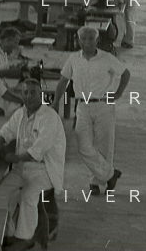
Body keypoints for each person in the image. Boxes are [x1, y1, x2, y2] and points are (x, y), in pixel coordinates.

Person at [0, 78, 67, 251]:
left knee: (27, 195)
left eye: (33, 92)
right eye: (25, 92)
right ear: (21, 95)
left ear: (41, 94)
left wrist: (15, 157)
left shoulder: (49, 117)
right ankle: (8, 233)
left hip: (44, 170)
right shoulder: (21, 113)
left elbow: (39, 149)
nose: (29, 96)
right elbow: (7, 130)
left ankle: (25, 239)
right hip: (22, 168)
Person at [54, 25, 130, 195]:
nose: (87, 42)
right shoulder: (73, 59)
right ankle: (110, 174)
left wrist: (118, 93)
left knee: (104, 145)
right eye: (83, 39)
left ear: (97, 40)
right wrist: (56, 102)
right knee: (83, 145)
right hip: (82, 106)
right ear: (78, 40)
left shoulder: (107, 58)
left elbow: (125, 74)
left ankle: (96, 182)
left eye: (91, 39)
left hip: (103, 105)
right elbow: (63, 81)